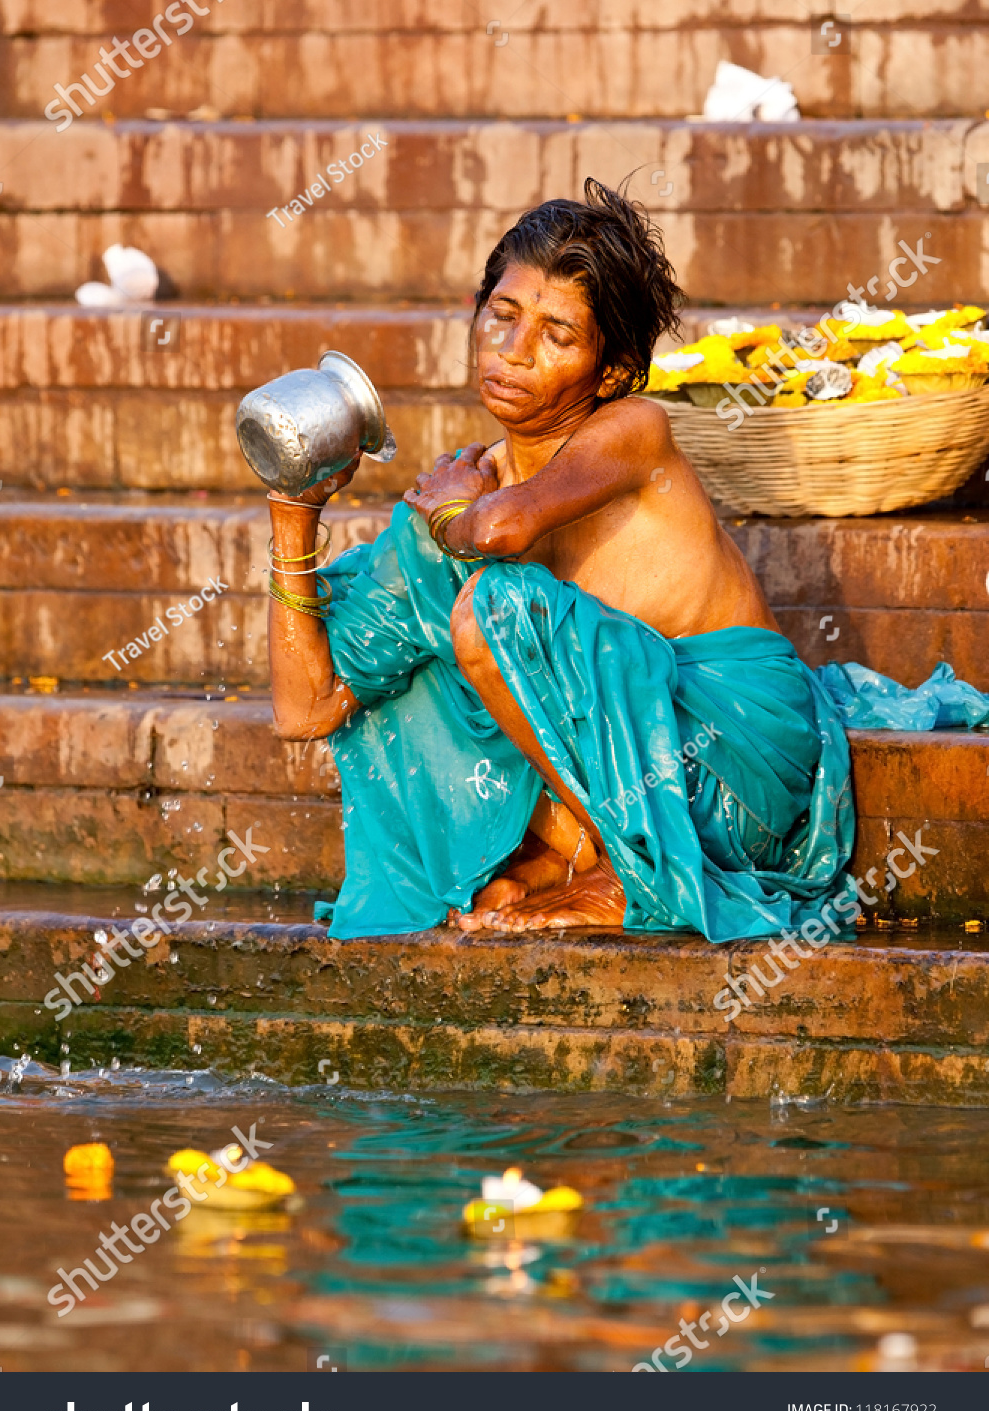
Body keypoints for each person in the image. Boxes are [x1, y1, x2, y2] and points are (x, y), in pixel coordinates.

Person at [267, 179, 858, 941]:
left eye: (557, 334)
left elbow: (503, 531)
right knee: (424, 591)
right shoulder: (468, 493)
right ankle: (570, 852)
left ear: (608, 372)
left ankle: (624, 869)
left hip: (726, 774)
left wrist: (452, 512)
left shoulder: (630, 431)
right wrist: (294, 511)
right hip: (630, 783)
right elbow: (304, 709)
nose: (513, 351)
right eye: (502, 316)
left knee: (494, 606)